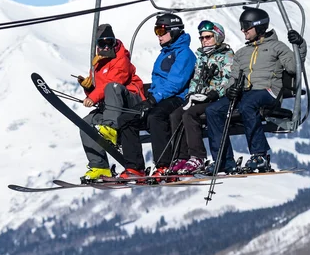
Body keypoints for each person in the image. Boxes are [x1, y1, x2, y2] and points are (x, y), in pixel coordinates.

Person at [204, 6, 307, 174]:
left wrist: (299, 45)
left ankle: (259, 155)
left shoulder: (277, 47)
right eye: (242, 25)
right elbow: (233, 77)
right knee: (213, 110)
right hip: (245, 93)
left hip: (268, 92)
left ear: (258, 27)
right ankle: (223, 160)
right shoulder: (242, 52)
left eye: (246, 26)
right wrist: (230, 90)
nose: (243, 30)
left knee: (247, 105)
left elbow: (295, 68)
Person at [117, 13, 197, 178]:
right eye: (157, 31)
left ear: (173, 31)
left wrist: (153, 100)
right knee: (126, 119)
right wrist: (148, 100)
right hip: (159, 98)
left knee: (156, 116)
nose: (158, 36)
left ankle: (164, 165)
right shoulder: (165, 53)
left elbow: (176, 83)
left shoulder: (185, 54)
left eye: (161, 31)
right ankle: (134, 167)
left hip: (177, 98)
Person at [77, 23, 145, 181]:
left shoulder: (122, 59)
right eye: (103, 43)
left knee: (112, 87)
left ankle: (111, 129)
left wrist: (92, 97)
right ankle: (99, 166)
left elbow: (114, 83)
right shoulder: (97, 64)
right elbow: (99, 90)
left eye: (110, 42)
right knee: (85, 124)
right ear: (97, 45)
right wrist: (89, 89)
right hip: (111, 108)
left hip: (131, 103)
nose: (107, 46)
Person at [168, 20, 234, 175]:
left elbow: (228, 79)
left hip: (216, 98)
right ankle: (181, 157)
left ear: (217, 37)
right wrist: (191, 93)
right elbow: (196, 79)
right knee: (176, 114)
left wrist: (214, 93)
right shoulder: (202, 56)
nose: (204, 40)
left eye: (208, 37)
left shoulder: (226, 56)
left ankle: (197, 156)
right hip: (201, 96)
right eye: (202, 38)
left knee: (190, 114)